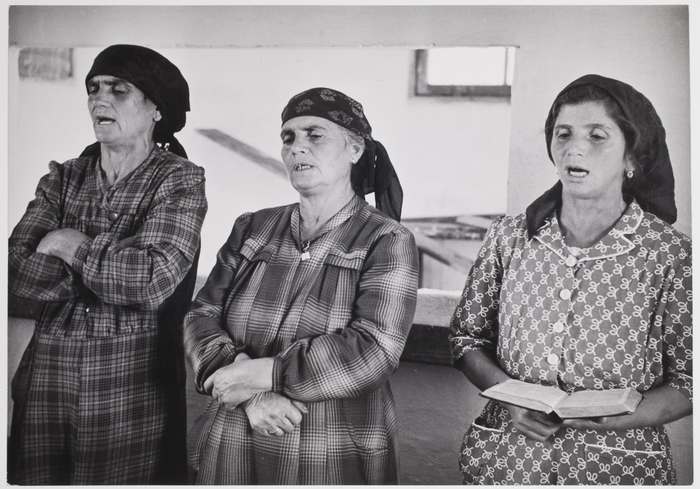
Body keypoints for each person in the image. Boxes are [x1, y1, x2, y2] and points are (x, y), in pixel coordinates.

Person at [449, 74, 691, 485]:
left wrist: (614, 419)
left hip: (619, 466)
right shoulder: (509, 237)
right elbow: (466, 338)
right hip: (509, 462)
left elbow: (690, 379)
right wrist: (511, 399)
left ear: (632, 159)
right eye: (563, 134)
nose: (573, 148)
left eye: (597, 136)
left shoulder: (671, 255)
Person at [185, 87, 419, 484]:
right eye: (288, 137)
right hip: (238, 433)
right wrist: (249, 390)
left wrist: (269, 375)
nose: (297, 147)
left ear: (355, 149)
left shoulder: (386, 239)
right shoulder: (253, 227)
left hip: (329, 445)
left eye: (315, 135)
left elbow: (375, 349)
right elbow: (201, 314)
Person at [8, 44, 207, 484]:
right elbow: (18, 270)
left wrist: (68, 244)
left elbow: (152, 281)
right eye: (94, 88)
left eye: (119, 90)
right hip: (48, 377)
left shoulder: (178, 179)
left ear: (156, 108)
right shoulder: (63, 177)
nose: (100, 99)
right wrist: (113, 261)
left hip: (130, 382)